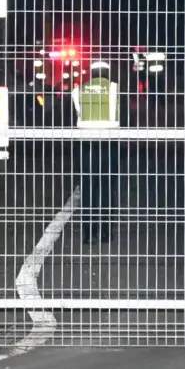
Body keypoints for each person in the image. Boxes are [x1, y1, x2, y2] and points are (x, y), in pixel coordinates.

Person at [72, 60, 121, 245]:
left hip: (86, 147)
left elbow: (73, 119)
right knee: (107, 190)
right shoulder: (115, 89)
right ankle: (106, 234)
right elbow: (126, 118)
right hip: (109, 146)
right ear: (107, 74)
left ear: (90, 74)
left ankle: (88, 233)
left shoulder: (79, 91)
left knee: (87, 190)